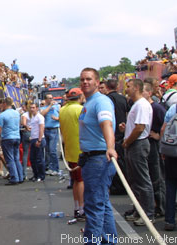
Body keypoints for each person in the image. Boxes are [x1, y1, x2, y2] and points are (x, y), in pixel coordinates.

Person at [78, 67, 118, 244]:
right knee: (102, 204)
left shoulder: (101, 102)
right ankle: (109, 241)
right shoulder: (88, 102)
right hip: (91, 159)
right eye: (82, 79)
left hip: (100, 159)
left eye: (89, 79)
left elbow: (106, 124)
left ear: (97, 82)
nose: (85, 82)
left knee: (94, 205)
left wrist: (110, 147)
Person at [120, 79, 155, 226]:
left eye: (128, 87)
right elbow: (136, 126)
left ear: (136, 88)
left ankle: (148, 214)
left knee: (142, 180)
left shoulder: (141, 105)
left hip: (138, 144)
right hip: (134, 144)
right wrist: (125, 128)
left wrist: (127, 142)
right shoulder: (137, 105)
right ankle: (138, 210)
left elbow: (140, 128)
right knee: (134, 180)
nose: (126, 90)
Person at [59, 88, 85, 221]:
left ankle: (77, 208)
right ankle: (81, 209)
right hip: (81, 150)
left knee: (76, 181)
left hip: (70, 150)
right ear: (80, 97)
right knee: (81, 181)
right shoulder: (80, 110)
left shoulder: (62, 110)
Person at [142, 82, 166, 218]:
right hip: (147, 145)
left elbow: (166, 124)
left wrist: (158, 136)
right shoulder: (143, 107)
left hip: (155, 146)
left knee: (157, 178)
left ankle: (161, 207)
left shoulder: (156, 108)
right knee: (150, 177)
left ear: (149, 93)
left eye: (143, 91)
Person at [105, 78, 129, 195]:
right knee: (122, 161)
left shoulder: (107, 100)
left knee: (115, 161)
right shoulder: (123, 98)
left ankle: (117, 186)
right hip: (122, 132)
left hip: (113, 133)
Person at [0, 97, 23, 185]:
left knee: (10, 159)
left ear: (4, 104)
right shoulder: (17, 113)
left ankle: (14, 177)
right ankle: (20, 176)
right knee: (16, 158)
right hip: (17, 136)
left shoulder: (3, 115)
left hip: (7, 137)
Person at [161, 103, 177, 231]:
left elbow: (163, 129)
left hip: (172, 152)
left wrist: (163, 150)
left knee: (170, 186)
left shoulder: (173, 108)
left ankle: (169, 220)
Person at [40, 93, 60, 175]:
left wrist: (57, 118)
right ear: (45, 100)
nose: (51, 99)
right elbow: (42, 114)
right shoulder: (43, 108)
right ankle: (49, 167)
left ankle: (55, 168)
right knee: (47, 150)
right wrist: (49, 106)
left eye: (52, 98)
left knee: (52, 150)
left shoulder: (57, 106)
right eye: (49, 98)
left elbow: (62, 115)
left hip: (54, 129)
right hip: (46, 129)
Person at [28, 102, 45, 182]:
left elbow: (41, 128)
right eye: (31, 108)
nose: (32, 109)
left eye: (33, 108)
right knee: (32, 158)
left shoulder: (40, 117)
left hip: (39, 139)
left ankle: (41, 175)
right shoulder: (33, 117)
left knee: (39, 158)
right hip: (33, 139)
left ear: (37, 108)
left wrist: (39, 139)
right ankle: (35, 174)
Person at [20, 101, 31, 180]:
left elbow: (23, 123)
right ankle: (37, 173)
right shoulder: (35, 114)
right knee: (35, 154)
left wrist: (26, 126)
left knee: (25, 153)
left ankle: (24, 174)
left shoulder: (24, 115)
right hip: (34, 134)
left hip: (26, 133)